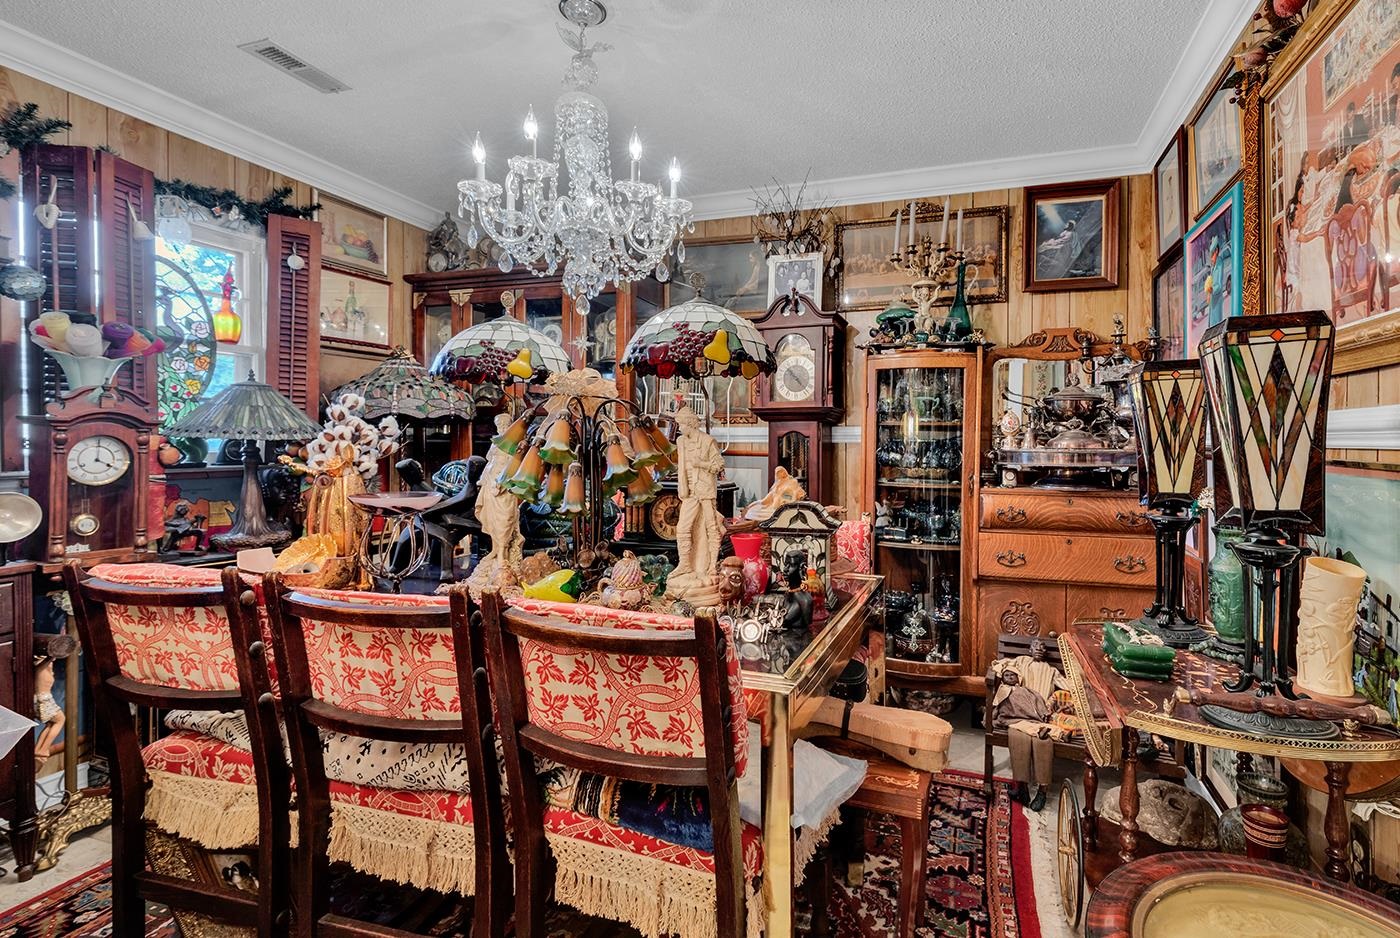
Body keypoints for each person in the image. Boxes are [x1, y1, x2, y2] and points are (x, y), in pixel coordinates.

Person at [988, 639, 1073, 811]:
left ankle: (1042, 790)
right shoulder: (1021, 661)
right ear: (1029, 650)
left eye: (1042, 647)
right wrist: (999, 672)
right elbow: (1000, 665)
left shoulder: (1052, 671)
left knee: (1042, 741)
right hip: (1018, 713)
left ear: (1046, 652)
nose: (1039, 650)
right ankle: (1022, 788)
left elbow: (1069, 686)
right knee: (1018, 737)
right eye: (1035, 647)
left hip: (1041, 713)